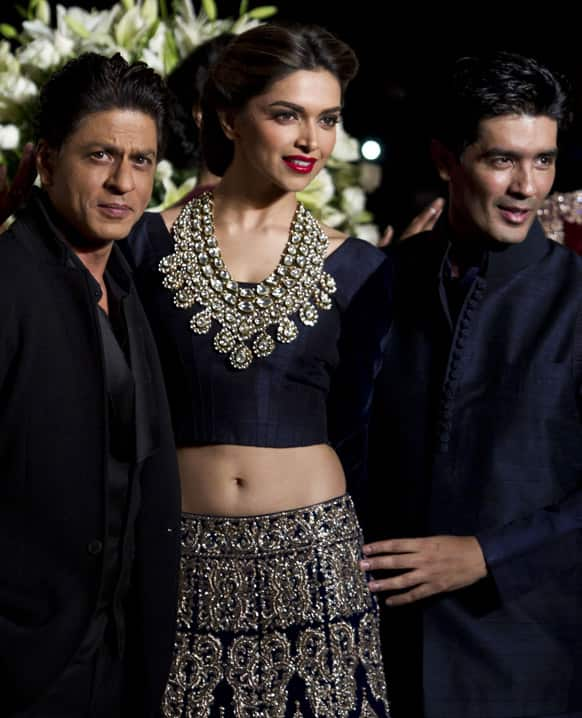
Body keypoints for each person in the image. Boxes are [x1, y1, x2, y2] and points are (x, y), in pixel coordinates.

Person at [124, 22, 391, 717]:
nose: (312, 141)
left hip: (316, 565)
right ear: (227, 119)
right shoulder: (144, 244)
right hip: (182, 566)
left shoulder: (359, 268)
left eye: (327, 119)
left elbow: (368, 433)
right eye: (286, 115)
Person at [363, 52, 582, 718]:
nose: (527, 186)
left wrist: (487, 554)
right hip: (386, 655)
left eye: (542, 161)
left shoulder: (576, 301)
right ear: (444, 161)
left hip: (529, 659)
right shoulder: (384, 282)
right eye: (502, 160)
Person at [0, 52, 181, 717]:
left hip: (123, 658)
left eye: (141, 162)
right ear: (46, 160)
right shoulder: (10, 281)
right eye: (100, 155)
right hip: (28, 665)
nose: (122, 183)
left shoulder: (128, 287)